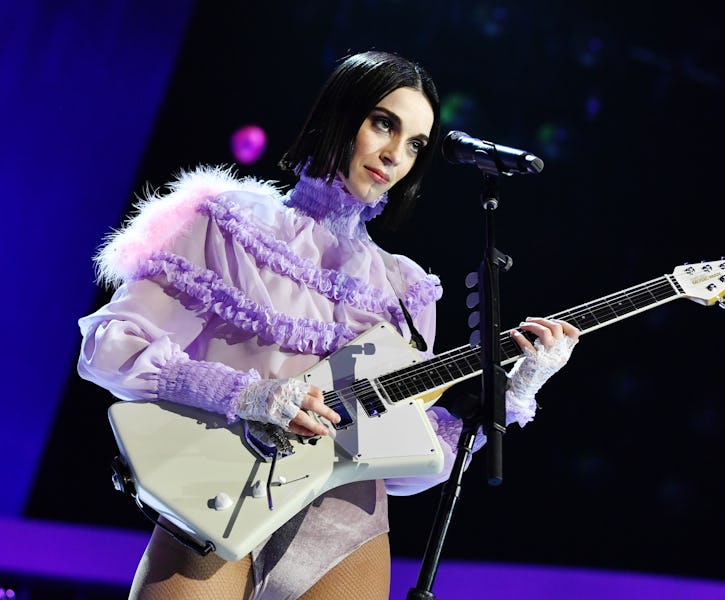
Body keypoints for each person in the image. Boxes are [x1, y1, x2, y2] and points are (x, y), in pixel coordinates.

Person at [77, 50, 581, 600]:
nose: (394, 155)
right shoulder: (224, 220)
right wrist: (251, 394)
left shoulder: (406, 289)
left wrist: (516, 389)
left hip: (346, 531)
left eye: (414, 143)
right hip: (218, 497)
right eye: (383, 124)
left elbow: (404, 460)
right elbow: (110, 347)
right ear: (342, 113)